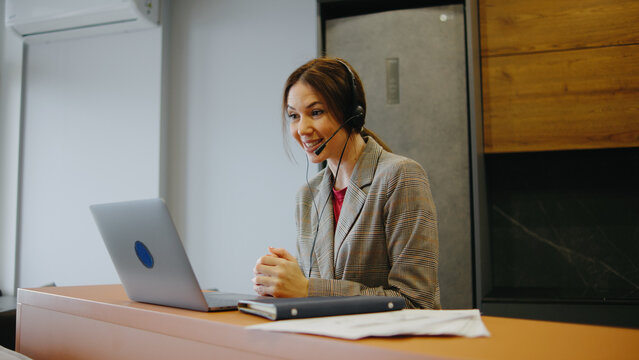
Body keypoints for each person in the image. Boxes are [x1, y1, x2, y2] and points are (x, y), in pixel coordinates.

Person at [252, 57, 440, 309]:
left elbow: (417, 300)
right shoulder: (307, 197)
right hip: (329, 346)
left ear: (352, 114)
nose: (302, 128)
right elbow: (322, 296)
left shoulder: (400, 176)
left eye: (316, 112)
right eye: (294, 116)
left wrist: (307, 288)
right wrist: (285, 282)